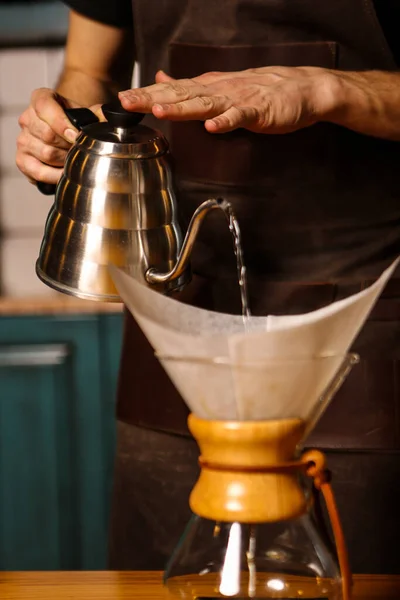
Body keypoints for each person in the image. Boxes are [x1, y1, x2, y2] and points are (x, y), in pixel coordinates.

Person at [16, 0, 400, 574]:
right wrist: (63, 124)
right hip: (174, 318)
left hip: (363, 329)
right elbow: (89, 72)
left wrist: (334, 89)